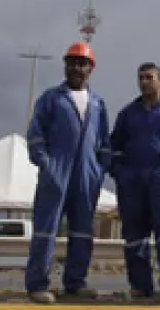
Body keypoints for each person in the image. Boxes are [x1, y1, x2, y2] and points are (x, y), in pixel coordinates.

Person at [24, 42, 111, 304]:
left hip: (86, 176)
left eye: (82, 63)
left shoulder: (98, 104)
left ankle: (76, 282)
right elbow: (35, 132)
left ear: (91, 69)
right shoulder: (51, 98)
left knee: (82, 230)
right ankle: (38, 284)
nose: (76, 68)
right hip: (56, 172)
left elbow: (104, 142)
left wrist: (98, 170)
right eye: (71, 62)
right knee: (46, 228)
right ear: (65, 66)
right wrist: (45, 163)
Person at [109, 62, 160, 306]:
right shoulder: (127, 114)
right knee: (135, 237)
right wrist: (120, 174)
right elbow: (114, 149)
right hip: (133, 185)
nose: (144, 82)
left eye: (149, 77)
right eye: (141, 78)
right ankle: (140, 286)